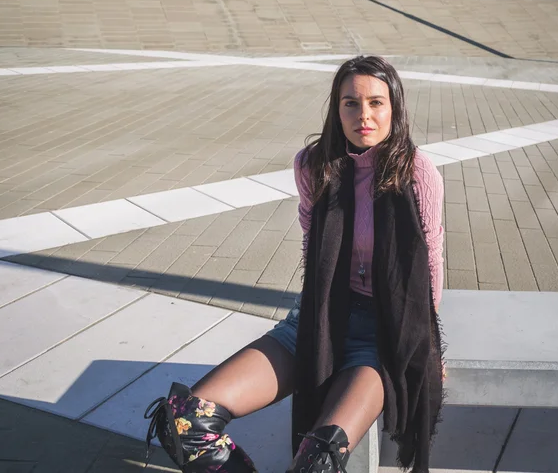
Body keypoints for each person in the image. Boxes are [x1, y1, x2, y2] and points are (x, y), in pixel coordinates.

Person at [148, 56, 445, 473]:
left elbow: (428, 266)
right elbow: (314, 251)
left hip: (382, 338)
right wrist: (318, 327)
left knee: (315, 463)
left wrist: (427, 344)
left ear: (394, 108)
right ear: (335, 109)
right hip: (316, 322)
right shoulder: (313, 166)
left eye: (376, 103)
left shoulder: (417, 172)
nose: (364, 115)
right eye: (351, 103)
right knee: (186, 421)